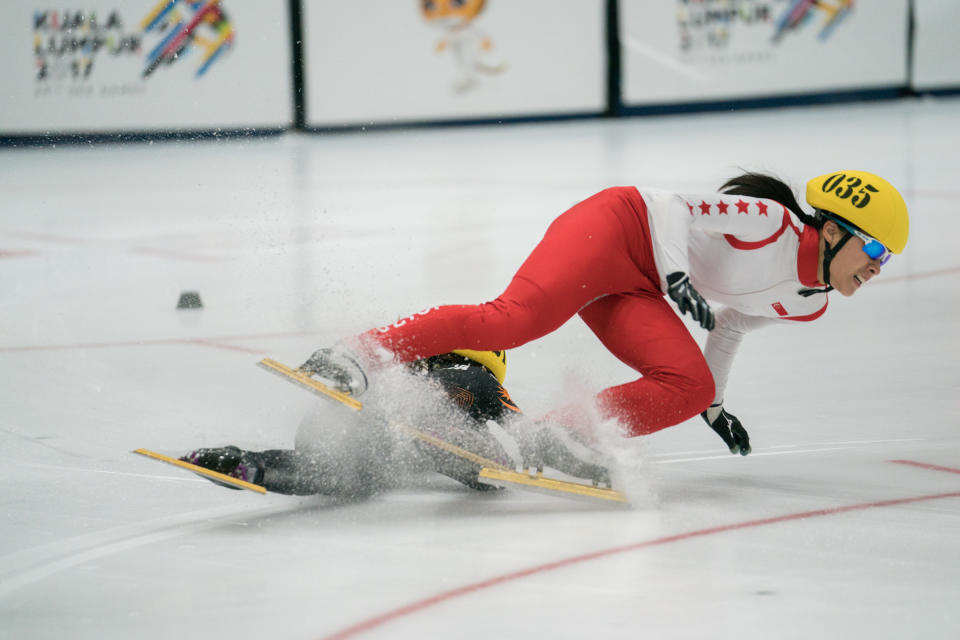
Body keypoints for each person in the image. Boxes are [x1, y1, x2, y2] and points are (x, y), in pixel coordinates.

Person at [301, 170, 909, 456]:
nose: (878, 266)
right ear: (831, 229)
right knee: (515, 319)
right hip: (617, 228)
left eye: (889, 259)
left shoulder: (809, 303)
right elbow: (669, 206)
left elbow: (729, 326)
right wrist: (674, 274)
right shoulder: (772, 222)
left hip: (639, 287)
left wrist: (715, 406)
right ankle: (354, 355)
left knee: (689, 386)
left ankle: (541, 439)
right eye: (875, 249)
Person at [182, 349, 611, 496]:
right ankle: (451, 443)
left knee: (335, 474)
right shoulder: (474, 378)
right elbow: (525, 431)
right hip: (414, 432)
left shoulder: (402, 370)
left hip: (356, 433)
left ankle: (245, 464)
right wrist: (598, 467)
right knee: (489, 468)